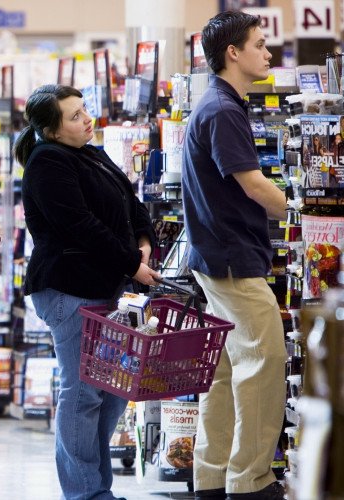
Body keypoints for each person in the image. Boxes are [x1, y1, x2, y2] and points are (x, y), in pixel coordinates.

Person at [16, 84, 160, 500]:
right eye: (75, 116)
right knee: (82, 393)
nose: (86, 120)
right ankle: (84, 493)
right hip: (69, 287)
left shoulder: (90, 153)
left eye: (84, 111)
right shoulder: (48, 162)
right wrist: (132, 263)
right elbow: (80, 224)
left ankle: (96, 488)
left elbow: (130, 204)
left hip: (106, 287)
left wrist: (143, 238)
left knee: (110, 391)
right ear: (51, 129)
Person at [181, 11, 287, 500]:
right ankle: (250, 480)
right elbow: (252, 184)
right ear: (233, 53)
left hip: (214, 258)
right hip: (233, 260)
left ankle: (212, 474)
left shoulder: (217, 105)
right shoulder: (223, 110)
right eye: (261, 45)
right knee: (265, 365)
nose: (268, 53)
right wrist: (296, 204)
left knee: (226, 372)